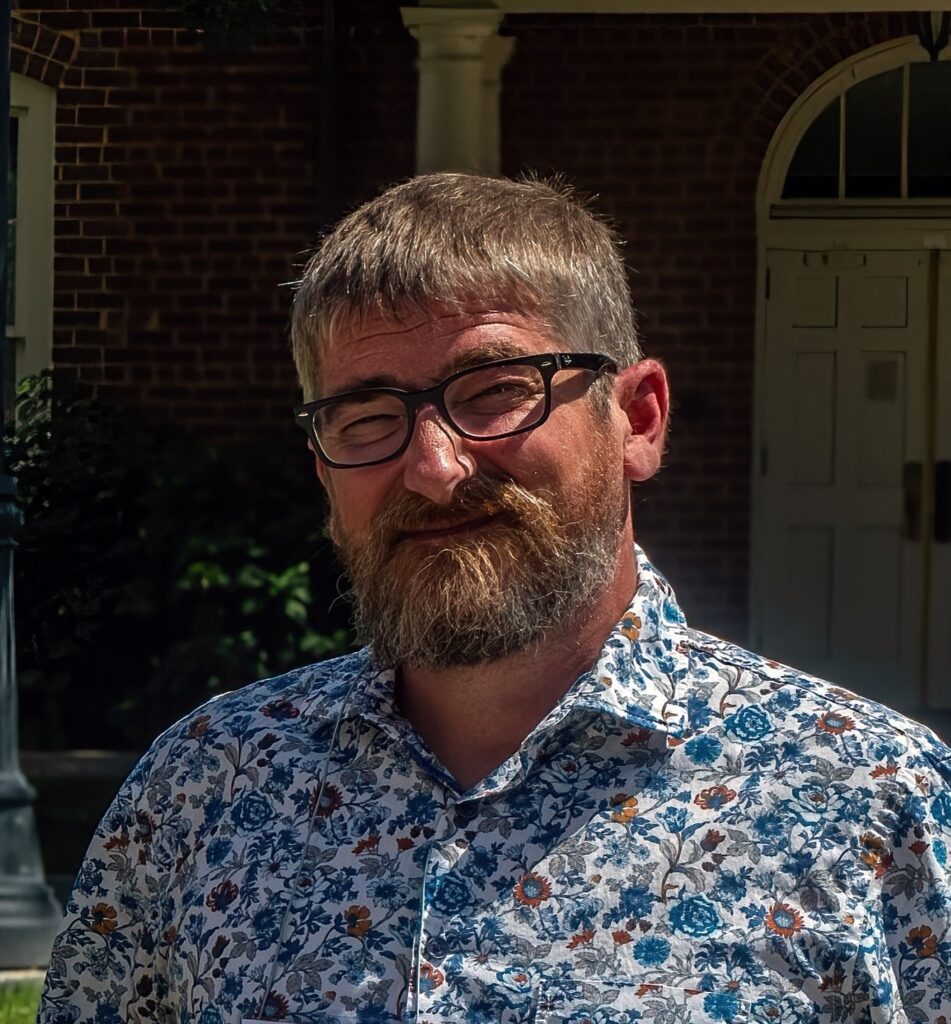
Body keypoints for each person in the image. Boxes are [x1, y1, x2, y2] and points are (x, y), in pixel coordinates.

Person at [39, 174, 951, 1024]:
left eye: (495, 392)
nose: (434, 469)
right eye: (367, 417)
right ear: (322, 468)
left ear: (637, 418)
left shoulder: (872, 800)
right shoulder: (205, 788)